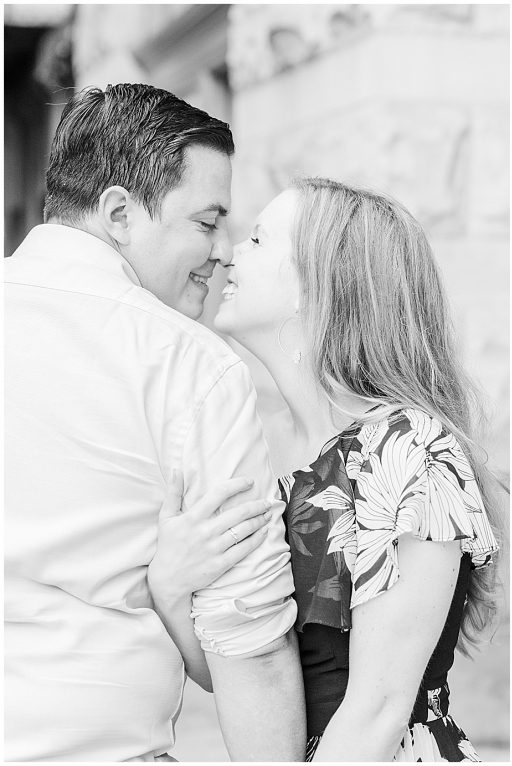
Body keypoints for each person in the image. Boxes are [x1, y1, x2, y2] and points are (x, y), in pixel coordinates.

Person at [149, 178, 503, 761]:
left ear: (320, 283)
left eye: (259, 240)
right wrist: (168, 588)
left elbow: (376, 712)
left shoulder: (408, 447)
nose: (230, 252)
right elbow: (237, 670)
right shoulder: (259, 449)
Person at [5, 83, 305, 760]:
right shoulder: (191, 366)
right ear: (119, 212)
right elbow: (248, 639)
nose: (223, 251)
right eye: (206, 222)